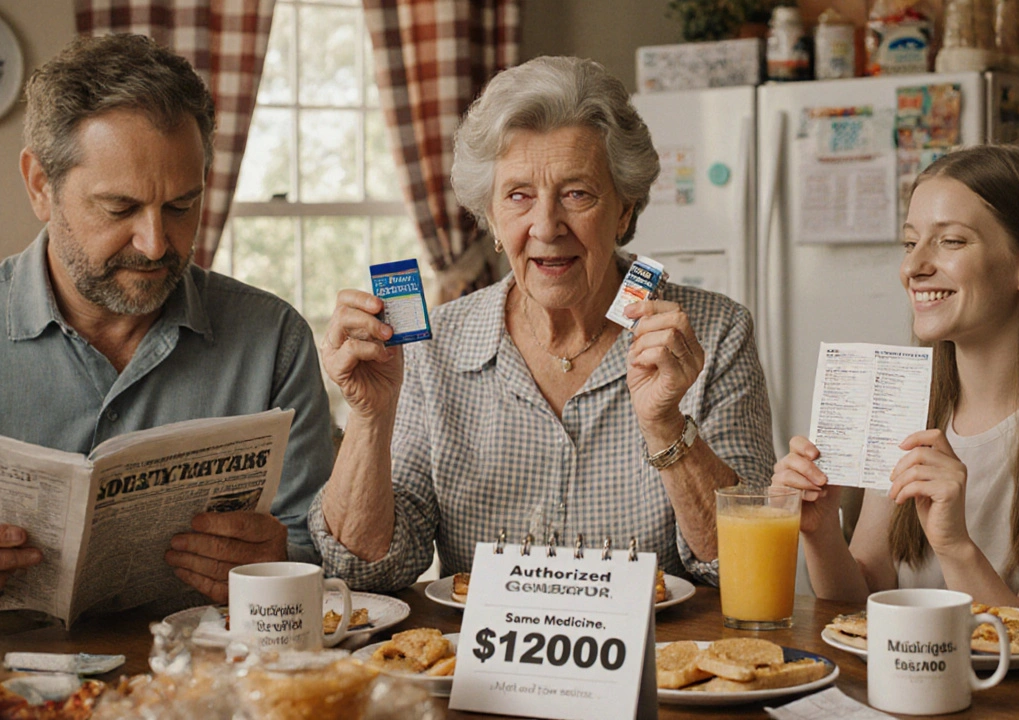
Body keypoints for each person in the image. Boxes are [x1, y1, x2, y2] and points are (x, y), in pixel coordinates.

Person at [309, 56, 774, 591]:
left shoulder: (715, 333)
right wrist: (369, 416)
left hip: (660, 667)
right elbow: (364, 567)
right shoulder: (435, 348)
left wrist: (666, 424)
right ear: (492, 218)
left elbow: (744, 565)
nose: (546, 226)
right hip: (481, 669)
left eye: (577, 194)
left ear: (624, 210)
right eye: (519, 196)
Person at [0, 34, 334, 605]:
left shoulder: (274, 340)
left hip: (206, 681)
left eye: (182, 206)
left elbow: (323, 554)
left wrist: (282, 563)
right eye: (119, 208)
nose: (156, 245)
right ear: (40, 186)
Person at [773, 145, 1019, 637]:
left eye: (950, 241)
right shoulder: (908, 402)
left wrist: (954, 545)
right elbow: (861, 602)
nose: (915, 267)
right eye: (910, 244)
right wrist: (819, 532)